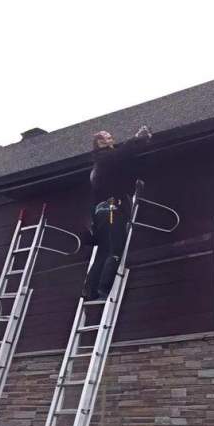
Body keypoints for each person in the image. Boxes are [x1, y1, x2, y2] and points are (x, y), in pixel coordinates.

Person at [83, 126, 152, 300]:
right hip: (111, 210)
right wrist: (138, 138)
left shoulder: (102, 164)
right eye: (107, 137)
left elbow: (123, 162)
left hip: (103, 212)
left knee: (104, 252)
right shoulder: (104, 158)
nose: (111, 138)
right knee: (115, 251)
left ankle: (90, 291)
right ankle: (103, 289)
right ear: (100, 143)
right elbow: (121, 154)